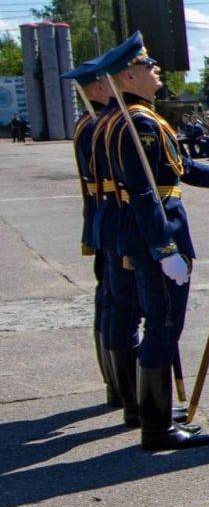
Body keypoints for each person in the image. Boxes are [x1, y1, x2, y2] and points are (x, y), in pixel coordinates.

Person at [103, 31, 209, 450]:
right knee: (162, 327)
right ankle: (156, 429)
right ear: (127, 76)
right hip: (157, 237)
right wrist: (164, 250)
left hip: (155, 234)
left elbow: (181, 168)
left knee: (162, 326)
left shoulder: (142, 118)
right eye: (148, 66)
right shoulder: (137, 123)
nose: (156, 70)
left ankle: (152, 413)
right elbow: (144, 193)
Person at [61, 59, 118, 408]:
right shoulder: (97, 125)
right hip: (113, 222)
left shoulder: (91, 123)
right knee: (115, 304)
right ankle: (119, 386)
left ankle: (117, 383)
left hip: (103, 220)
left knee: (111, 303)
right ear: (97, 88)